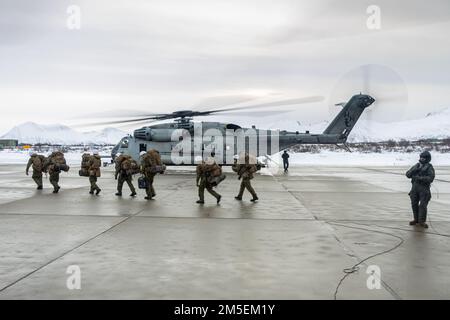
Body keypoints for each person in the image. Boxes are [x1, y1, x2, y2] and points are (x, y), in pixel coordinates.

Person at [406, 151, 435, 228]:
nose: (421, 159)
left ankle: (422, 221)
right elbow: (408, 174)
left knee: (422, 205)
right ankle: (416, 219)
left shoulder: (429, 167)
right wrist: (414, 170)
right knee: (414, 204)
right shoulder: (417, 165)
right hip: (414, 189)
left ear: (427, 159)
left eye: (423, 158)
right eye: (421, 157)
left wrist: (420, 178)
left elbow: (431, 178)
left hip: (424, 189)